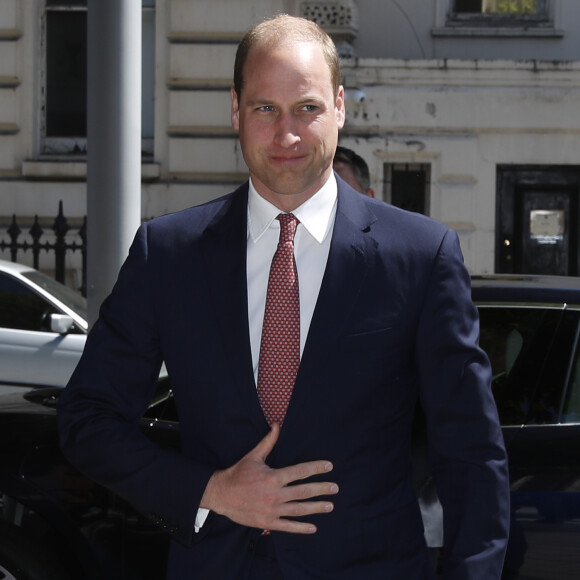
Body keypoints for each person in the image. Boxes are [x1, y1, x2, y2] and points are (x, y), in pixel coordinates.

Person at [58, 14, 510, 580]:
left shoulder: (419, 256)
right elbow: (88, 419)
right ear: (235, 112)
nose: (287, 135)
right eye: (265, 108)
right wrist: (209, 491)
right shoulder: (168, 254)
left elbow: (470, 451)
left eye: (308, 108)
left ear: (340, 107)